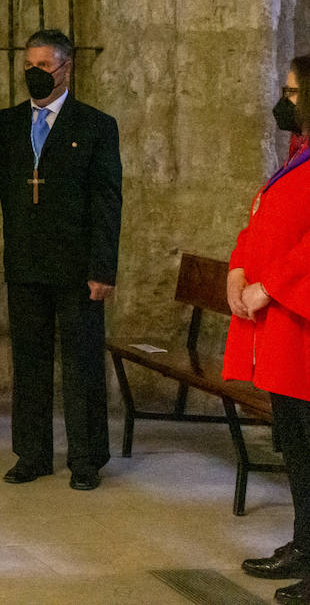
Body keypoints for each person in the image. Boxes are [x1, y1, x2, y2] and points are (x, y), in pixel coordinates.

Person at [0, 28, 122, 491]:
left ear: (68, 67)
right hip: (25, 265)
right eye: (30, 66)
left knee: (82, 365)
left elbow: (107, 201)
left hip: (79, 270)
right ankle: (33, 454)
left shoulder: (95, 126)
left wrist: (103, 268)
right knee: (30, 363)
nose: (35, 74)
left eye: (45, 66)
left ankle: (86, 460)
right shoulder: (2, 126)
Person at [227, 55, 310, 604]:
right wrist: (237, 267)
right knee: (295, 445)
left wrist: (272, 286)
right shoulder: (296, 155)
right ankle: (305, 544)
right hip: (281, 330)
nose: (285, 100)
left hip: (299, 325)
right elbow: (263, 223)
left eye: (295, 92)